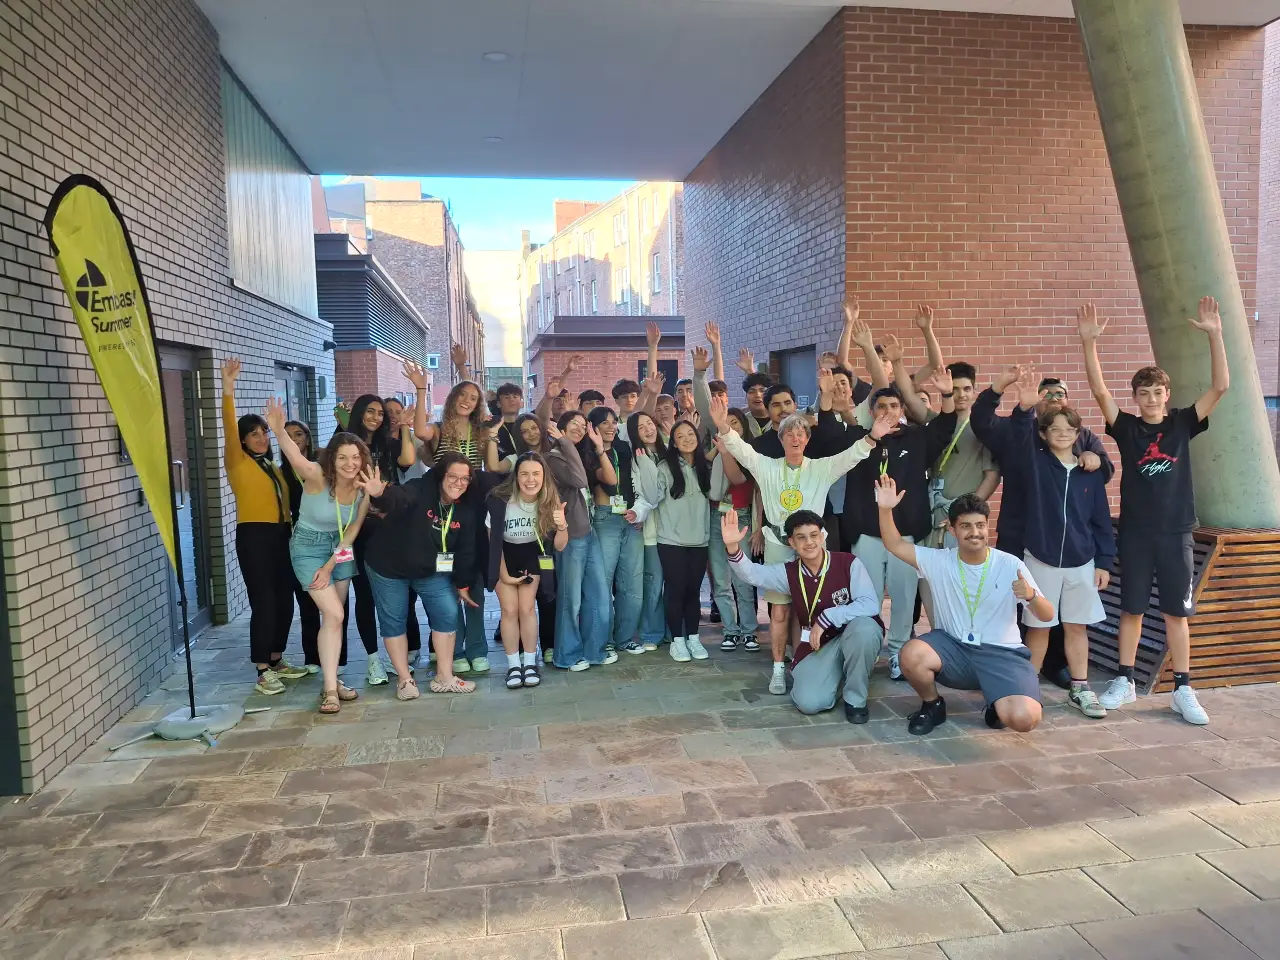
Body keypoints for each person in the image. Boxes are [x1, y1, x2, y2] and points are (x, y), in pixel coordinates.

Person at [1079, 298, 1228, 725]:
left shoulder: (1182, 423)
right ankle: (1125, 680)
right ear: (1136, 397)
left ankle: (1183, 688)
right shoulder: (1126, 428)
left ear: (1167, 395)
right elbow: (1100, 392)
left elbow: (1220, 387)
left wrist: (1215, 335)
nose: (1149, 399)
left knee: (1176, 613)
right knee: (1132, 609)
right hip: (1136, 534)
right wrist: (1089, 344)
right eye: (1142, 393)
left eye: (1156, 392)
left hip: (1176, 533)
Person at [712, 382, 890, 695]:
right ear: (781, 439)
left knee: (813, 605)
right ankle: (778, 669)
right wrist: (723, 427)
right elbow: (741, 450)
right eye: (789, 435)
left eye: (801, 434)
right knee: (780, 611)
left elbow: (851, 456)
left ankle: (808, 659)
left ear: (807, 439)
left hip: (812, 546)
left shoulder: (821, 468)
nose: (795, 439)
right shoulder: (766, 466)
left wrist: (873, 436)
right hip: (779, 545)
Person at [876, 479, 1052, 736]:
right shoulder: (938, 561)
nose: (974, 532)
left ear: (987, 526)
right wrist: (885, 509)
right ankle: (933, 705)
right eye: (966, 526)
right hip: (954, 648)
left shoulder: (1009, 564)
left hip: (1001, 654)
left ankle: (997, 701)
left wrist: (1032, 596)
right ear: (952, 530)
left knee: (1025, 719)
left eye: (980, 525)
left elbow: (1046, 615)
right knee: (911, 654)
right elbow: (895, 544)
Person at [831, 372, 958, 680]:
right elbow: (827, 436)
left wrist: (947, 396)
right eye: (881, 406)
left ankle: (899, 653)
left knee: (903, 597)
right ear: (871, 411)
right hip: (867, 533)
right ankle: (869, 648)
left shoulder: (917, 438)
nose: (888, 411)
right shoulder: (860, 439)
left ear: (902, 410)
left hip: (905, 535)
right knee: (868, 597)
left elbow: (945, 427)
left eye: (893, 405)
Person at [1007, 370, 1115, 719]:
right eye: (1055, 429)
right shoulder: (1035, 463)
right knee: (1038, 627)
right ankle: (1028, 689)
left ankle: (1080, 688)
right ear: (1044, 434)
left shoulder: (1089, 474)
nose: (1063, 434)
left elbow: (1101, 520)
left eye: (1069, 429)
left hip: (1082, 562)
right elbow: (1019, 438)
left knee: (1076, 627)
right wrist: (1025, 409)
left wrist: (1104, 562)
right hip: (1040, 559)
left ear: (1078, 434)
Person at [723, 509, 882, 722]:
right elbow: (753, 574)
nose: (809, 542)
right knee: (808, 703)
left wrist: (827, 618)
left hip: (853, 635)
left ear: (822, 536)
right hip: (820, 646)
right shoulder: (789, 572)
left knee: (865, 630)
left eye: (814, 535)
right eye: (801, 537)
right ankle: (843, 674)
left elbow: (870, 604)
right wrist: (733, 547)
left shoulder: (848, 563)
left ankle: (855, 699)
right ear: (792, 542)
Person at [268, 401, 370, 713]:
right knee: (335, 614)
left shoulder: (363, 488)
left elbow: (352, 531)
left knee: (334, 618)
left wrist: (330, 566)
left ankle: (332, 680)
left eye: (356, 457)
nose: (350, 463)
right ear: (332, 459)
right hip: (308, 547)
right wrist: (278, 431)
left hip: (340, 548)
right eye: (343, 457)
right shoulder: (316, 476)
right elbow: (296, 457)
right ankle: (330, 690)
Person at [358, 452, 480, 699]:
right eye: (452, 476)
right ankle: (405, 681)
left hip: (429, 570)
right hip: (389, 566)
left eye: (464, 479)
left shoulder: (465, 508)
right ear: (440, 475)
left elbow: (466, 549)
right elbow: (400, 497)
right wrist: (381, 494)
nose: (458, 483)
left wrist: (463, 584)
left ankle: (444, 677)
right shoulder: (420, 488)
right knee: (394, 620)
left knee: (447, 611)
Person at [220, 358, 308, 695]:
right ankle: (261, 669)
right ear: (242, 440)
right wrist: (228, 389)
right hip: (254, 535)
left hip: (281, 534)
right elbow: (229, 430)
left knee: (285, 600)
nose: (260, 438)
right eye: (253, 434)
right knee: (265, 601)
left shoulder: (272, 465)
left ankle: (276, 659)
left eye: (263, 433)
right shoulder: (237, 462)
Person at [412, 376, 491, 675]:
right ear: (453, 397)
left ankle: (477, 648)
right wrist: (421, 389)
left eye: (473, 397)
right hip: (441, 508)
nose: (467, 400)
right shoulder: (439, 428)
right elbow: (420, 431)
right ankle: (456, 649)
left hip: (473, 508)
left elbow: (491, 466)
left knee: (474, 580)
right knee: (445, 582)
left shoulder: (481, 431)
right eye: (462, 394)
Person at [344, 385, 419, 686]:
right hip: (358, 526)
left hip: (390, 525)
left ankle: (394, 654)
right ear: (359, 414)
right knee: (364, 594)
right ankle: (372, 659)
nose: (375, 417)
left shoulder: (388, 444)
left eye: (380, 413)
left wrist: (405, 427)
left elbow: (408, 460)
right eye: (370, 411)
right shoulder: (346, 443)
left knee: (395, 593)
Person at [635, 419, 722, 661]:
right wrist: (646, 466)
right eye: (680, 436)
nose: (687, 439)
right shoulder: (665, 467)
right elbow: (653, 497)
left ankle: (693, 637)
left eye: (690, 434)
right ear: (673, 442)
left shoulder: (705, 466)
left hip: (700, 540)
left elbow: (716, 493)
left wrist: (721, 453)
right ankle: (677, 640)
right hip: (671, 541)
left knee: (693, 591)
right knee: (675, 590)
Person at [486, 452, 569, 689]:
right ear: (516, 476)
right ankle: (514, 665)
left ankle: (530, 663)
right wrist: (503, 575)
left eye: (536, 474)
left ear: (544, 476)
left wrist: (562, 525)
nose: (530, 480)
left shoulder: (550, 500)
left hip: (532, 555)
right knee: (509, 610)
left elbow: (560, 546)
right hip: (504, 556)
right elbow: (493, 543)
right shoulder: (500, 500)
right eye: (524, 474)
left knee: (527, 608)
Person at [547, 412, 616, 671]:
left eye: (582, 425)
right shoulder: (553, 458)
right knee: (571, 599)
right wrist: (564, 442)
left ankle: (594, 650)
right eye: (572, 425)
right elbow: (578, 480)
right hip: (571, 535)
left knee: (599, 594)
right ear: (560, 430)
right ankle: (567, 655)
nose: (578, 429)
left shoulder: (576, 455)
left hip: (589, 533)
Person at [587, 405, 646, 655]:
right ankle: (605, 640)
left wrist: (639, 511)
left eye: (613, 422)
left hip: (630, 517)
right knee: (604, 582)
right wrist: (600, 449)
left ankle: (625, 638)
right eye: (604, 423)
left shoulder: (624, 448)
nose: (611, 427)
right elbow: (610, 482)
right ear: (593, 428)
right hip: (605, 518)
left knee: (632, 582)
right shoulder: (589, 453)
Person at [280, 419, 326, 674]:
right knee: (306, 600)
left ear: (307, 438)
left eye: (298, 434)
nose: (294, 439)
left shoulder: (320, 465)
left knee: (332, 603)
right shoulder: (280, 472)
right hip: (299, 541)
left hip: (327, 537)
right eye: (287, 435)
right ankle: (313, 657)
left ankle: (336, 656)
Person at [628, 410, 669, 652]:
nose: (648, 429)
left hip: (676, 530)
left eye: (650, 423)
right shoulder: (637, 459)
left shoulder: (670, 453)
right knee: (653, 582)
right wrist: (639, 513)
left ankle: (674, 631)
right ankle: (651, 632)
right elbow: (646, 496)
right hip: (652, 531)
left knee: (673, 583)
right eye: (641, 427)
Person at [491, 382, 526, 461]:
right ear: (498, 404)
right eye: (506, 397)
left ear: (521, 403)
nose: (511, 400)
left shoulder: (527, 424)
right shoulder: (493, 427)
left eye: (515, 396)